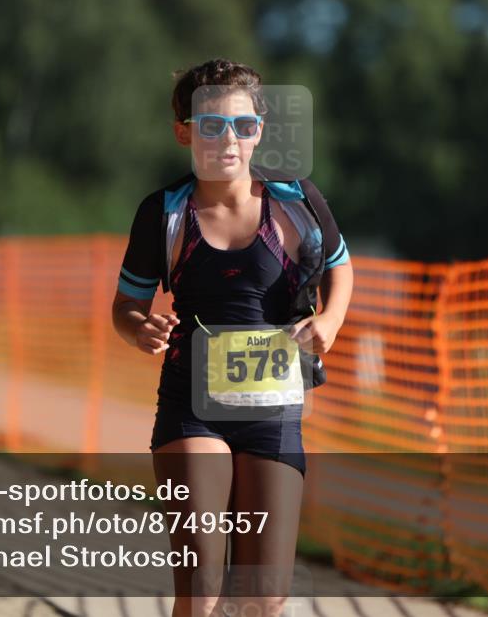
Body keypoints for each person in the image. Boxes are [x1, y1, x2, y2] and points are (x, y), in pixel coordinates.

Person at [111, 58, 353, 616]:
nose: (229, 140)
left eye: (243, 127)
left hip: (275, 409)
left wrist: (332, 319)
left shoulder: (298, 202)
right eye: (212, 125)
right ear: (184, 132)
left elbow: (342, 268)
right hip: (191, 409)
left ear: (259, 132)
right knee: (202, 593)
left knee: (263, 598)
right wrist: (137, 327)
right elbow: (126, 307)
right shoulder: (164, 214)